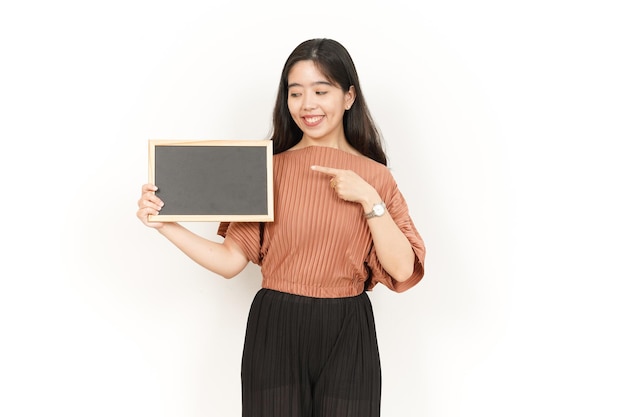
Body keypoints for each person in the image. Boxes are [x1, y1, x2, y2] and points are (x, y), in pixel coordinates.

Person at [137, 38, 426, 417]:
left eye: (321, 91)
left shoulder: (375, 177)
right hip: (276, 325)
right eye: (296, 93)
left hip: (348, 327)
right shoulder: (265, 171)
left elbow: (403, 269)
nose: (308, 105)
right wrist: (165, 224)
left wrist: (370, 200)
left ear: (349, 96)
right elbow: (230, 262)